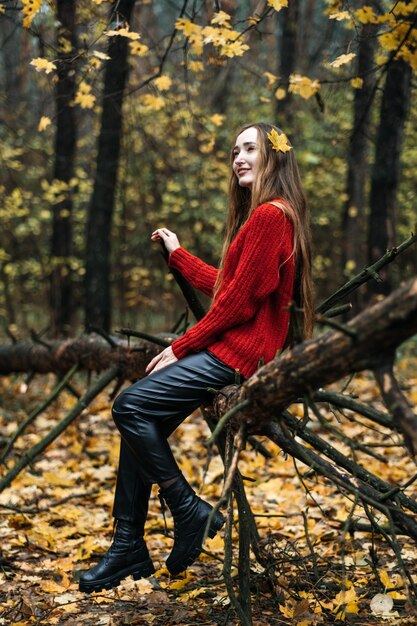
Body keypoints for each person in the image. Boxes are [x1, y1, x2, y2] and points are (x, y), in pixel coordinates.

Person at [79, 122, 314, 593]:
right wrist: (179, 254)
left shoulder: (271, 215)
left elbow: (237, 306)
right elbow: (233, 285)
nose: (239, 159)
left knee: (128, 407)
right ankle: (128, 547)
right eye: (235, 152)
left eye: (251, 149)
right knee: (140, 427)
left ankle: (190, 511)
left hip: (238, 354)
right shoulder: (270, 216)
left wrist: (180, 346)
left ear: (275, 157)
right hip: (239, 350)